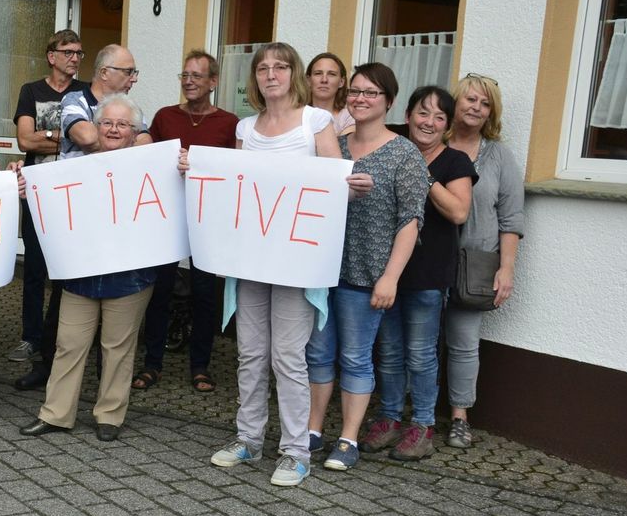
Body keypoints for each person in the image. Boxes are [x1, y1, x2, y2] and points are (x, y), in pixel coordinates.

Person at [209, 42, 368, 486]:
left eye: (280, 67)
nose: (271, 74)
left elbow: (334, 182)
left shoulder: (314, 122)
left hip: (296, 262)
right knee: (250, 353)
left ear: (293, 73)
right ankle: (248, 439)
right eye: (263, 68)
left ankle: (296, 452)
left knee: (288, 357)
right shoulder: (245, 128)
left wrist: (354, 186)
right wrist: (197, 170)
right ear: (255, 78)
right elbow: (235, 188)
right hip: (252, 259)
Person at [18, 93, 158, 442]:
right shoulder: (72, 166)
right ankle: (56, 414)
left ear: (135, 132)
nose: (113, 129)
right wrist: (23, 183)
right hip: (80, 275)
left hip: (129, 277)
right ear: (96, 126)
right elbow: (46, 197)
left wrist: (186, 165)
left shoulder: (150, 168)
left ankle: (109, 416)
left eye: (122, 124)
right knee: (69, 343)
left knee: (117, 348)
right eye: (106, 122)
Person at [310, 62, 429, 473]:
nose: (360, 99)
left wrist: (390, 277)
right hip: (322, 271)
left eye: (371, 92)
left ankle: (348, 439)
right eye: (356, 91)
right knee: (317, 353)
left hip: (367, 275)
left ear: (389, 101)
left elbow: (410, 221)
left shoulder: (404, 154)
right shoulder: (333, 146)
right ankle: (312, 431)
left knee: (356, 358)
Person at [14, 43, 147, 389]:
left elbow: (146, 145)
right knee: (65, 292)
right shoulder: (75, 99)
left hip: (114, 216)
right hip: (75, 216)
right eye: (129, 71)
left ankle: (105, 378)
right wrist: (120, 140)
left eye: (133, 72)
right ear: (105, 73)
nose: (133, 79)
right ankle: (47, 366)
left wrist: (113, 140)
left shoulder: (128, 105)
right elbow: (86, 136)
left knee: (111, 298)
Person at [361, 86, 476, 461]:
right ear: (408, 116)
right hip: (386, 271)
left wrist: (421, 175)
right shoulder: (391, 149)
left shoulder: (455, 161)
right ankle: (390, 419)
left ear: (447, 126)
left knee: (421, 354)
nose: (429, 122)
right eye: (423, 113)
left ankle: (423, 426)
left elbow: (458, 212)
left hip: (428, 275)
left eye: (439, 117)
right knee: (389, 351)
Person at [134, 49, 237, 394]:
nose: (189, 81)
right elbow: (147, 158)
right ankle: (152, 363)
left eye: (197, 76)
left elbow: (233, 171)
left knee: (205, 293)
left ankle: (200, 365)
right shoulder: (165, 117)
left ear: (213, 82)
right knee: (159, 289)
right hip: (166, 215)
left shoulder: (228, 123)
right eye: (185, 75)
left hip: (207, 218)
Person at [442, 73, 524, 450]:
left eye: (485, 103)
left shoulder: (498, 156)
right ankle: (412, 414)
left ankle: (460, 417)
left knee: (463, 342)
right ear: (455, 102)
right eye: (470, 99)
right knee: (416, 339)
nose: (476, 107)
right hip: (426, 259)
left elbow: (511, 217)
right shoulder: (433, 143)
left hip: (474, 264)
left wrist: (506, 268)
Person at [9, 30, 87, 374]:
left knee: (67, 265)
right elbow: (25, 140)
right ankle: (31, 336)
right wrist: (67, 136)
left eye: (79, 53)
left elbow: (90, 140)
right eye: (68, 52)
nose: (74, 58)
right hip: (36, 191)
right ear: (51, 56)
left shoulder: (85, 92)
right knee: (35, 267)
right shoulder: (31, 91)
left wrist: (50, 136)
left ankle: (59, 336)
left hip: (73, 193)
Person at [306, 52, 354, 135]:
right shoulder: (296, 114)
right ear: (308, 80)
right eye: (318, 73)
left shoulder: (348, 118)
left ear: (341, 82)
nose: (324, 80)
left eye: (331, 74)